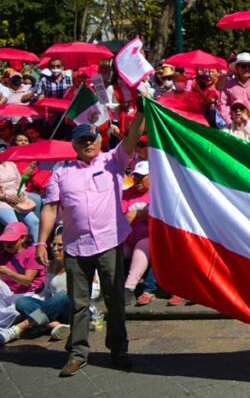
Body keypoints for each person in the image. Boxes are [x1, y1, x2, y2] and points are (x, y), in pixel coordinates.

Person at [36, 114, 145, 377]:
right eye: (82, 140)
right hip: (76, 246)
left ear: (99, 141)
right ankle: (78, 353)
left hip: (109, 241)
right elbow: (50, 208)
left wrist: (140, 110)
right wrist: (41, 241)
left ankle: (118, 350)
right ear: (74, 144)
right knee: (78, 302)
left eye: (92, 138)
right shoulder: (61, 173)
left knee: (114, 300)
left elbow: (132, 137)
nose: (87, 143)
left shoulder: (113, 160)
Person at [1, 227, 70, 344]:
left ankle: (19, 328)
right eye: (53, 245)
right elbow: (46, 292)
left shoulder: (81, 265)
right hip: (53, 308)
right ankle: (54, 324)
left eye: (60, 245)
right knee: (23, 302)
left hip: (72, 309)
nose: (55, 249)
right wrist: (38, 301)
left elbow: (94, 290)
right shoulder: (50, 265)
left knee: (63, 295)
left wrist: (74, 289)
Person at [120, 162, 153, 307]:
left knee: (142, 246)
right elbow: (120, 214)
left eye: (142, 177)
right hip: (128, 238)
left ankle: (129, 287)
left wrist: (140, 214)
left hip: (149, 240)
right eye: (136, 177)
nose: (137, 181)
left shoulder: (157, 194)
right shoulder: (127, 194)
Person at [217, 53, 250, 123]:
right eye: (244, 66)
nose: (247, 68)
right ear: (237, 68)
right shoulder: (229, 85)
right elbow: (221, 103)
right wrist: (228, 120)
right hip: (236, 120)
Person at [0, 154, 40, 241]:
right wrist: (6, 197)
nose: (1, 151)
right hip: (2, 201)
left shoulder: (11, 164)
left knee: (34, 221)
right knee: (14, 226)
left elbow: (19, 180)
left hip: (17, 197)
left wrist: (21, 193)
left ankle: (34, 249)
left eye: (3, 149)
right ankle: (12, 252)